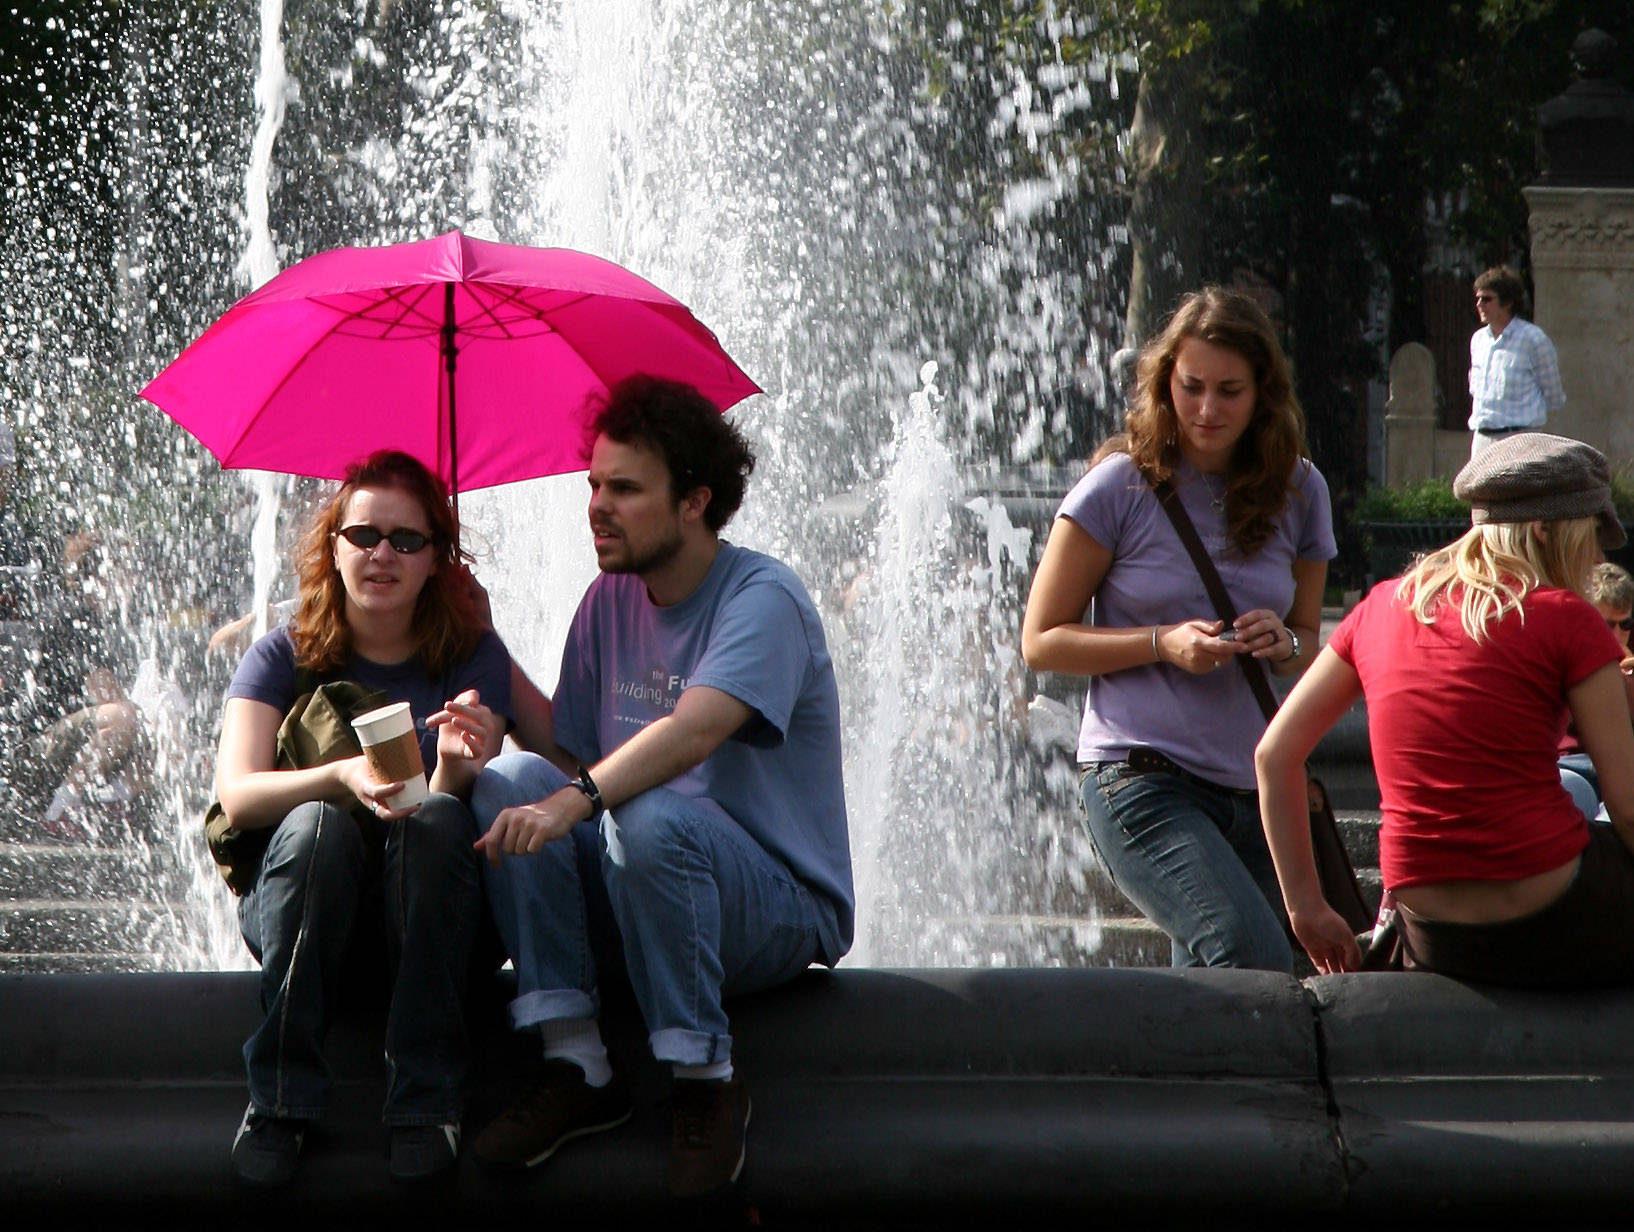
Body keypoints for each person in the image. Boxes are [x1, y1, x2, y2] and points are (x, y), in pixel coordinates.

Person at [468, 375, 853, 1197]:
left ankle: (707, 1082)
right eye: (594, 485)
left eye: (626, 489)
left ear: (693, 502)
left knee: (642, 814)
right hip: (646, 882)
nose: (597, 506)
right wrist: (478, 638)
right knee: (510, 782)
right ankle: (578, 1066)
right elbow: (566, 760)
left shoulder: (763, 597)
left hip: (774, 910)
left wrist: (580, 800)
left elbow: (693, 731)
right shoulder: (607, 601)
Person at [215, 450, 512, 1185]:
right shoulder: (280, 655)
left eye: (408, 540)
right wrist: (344, 775)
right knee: (318, 825)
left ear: (436, 558)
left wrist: (454, 765)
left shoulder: (471, 656)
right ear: (333, 546)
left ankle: (427, 1098)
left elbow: (463, 807)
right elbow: (239, 794)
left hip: (427, 931)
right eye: (363, 535)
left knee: (439, 818)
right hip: (308, 907)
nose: (383, 553)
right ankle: (278, 1101)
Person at [1020, 287, 1335, 971]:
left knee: (1252, 990)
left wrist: (1279, 639)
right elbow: (1041, 640)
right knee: (1248, 956)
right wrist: (1163, 643)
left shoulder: (1301, 491)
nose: (1206, 409)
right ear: (1166, 383)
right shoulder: (1119, 487)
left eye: (1229, 391)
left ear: (1263, 395)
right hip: (1140, 778)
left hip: (1257, 792)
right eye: (1190, 387)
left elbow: (1306, 643)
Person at [1257, 433, 1634, 985]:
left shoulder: (1381, 605)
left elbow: (1273, 754)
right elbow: (1627, 808)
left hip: (1433, 931)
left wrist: (1306, 909)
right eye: (1592, 534)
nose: (1600, 557)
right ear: (1543, 529)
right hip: (1554, 909)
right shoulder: (1566, 618)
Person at [1558, 561, 1634, 817]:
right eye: (1606, 623)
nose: (1617, 634)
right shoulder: (1564, 649)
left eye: (1625, 624)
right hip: (1573, 763)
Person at [1468, 265, 1565, 456]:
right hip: (1482, 440)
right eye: (1478, 298)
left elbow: (1553, 395)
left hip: (1520, 441)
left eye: (1487, 299)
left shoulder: (1533, 340)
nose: (1479, 304)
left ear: (1507, 303)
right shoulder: (1478, 340)